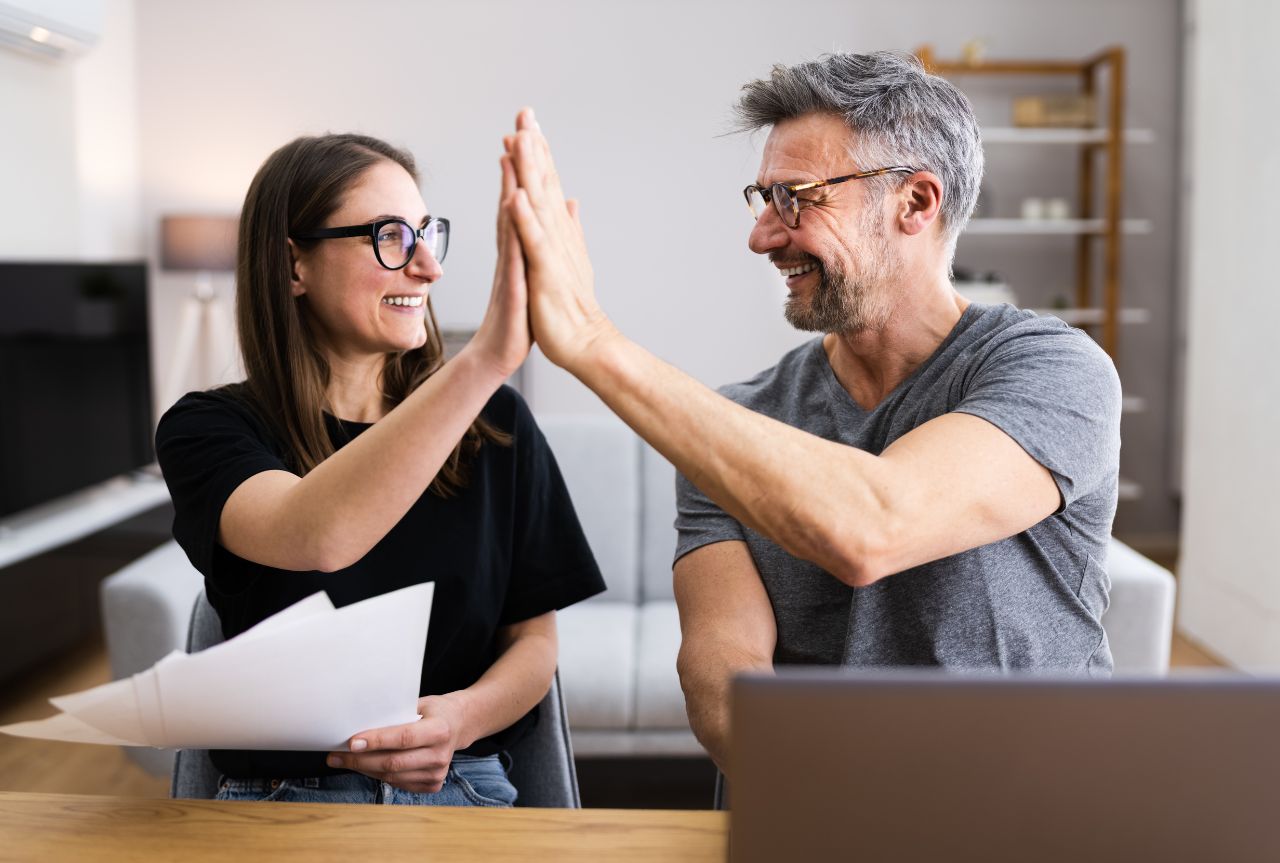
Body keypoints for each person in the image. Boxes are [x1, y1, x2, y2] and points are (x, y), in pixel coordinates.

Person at [501, 50, 1121, 775]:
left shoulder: (1055, 371)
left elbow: (873, 527)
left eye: (796, 197)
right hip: (803, 799)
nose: (763, 236)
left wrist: (593, 343)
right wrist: (819, 801)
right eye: (763, 199)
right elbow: (721, 668)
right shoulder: (738, 424)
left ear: (916, 203)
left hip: (1023, 810)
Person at [155, 132, 605, 805]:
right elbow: (317, 535)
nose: (427, 267)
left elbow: (535, 643)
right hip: (284, 798)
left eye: (426, 234)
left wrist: (459, 720)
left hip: (462, 783)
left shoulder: (496, 424)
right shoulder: (207, 429)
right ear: (294, 265)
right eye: (389, 236)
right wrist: (486, 357)